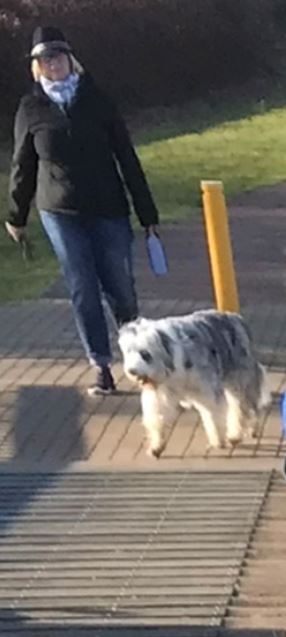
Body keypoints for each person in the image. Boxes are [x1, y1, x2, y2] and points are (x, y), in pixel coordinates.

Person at [5, 26, 159, 395]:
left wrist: (147, 213)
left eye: (57, 57)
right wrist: (16, 214)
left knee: (120, 287)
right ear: (37, 67)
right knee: (82, 286)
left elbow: (126, 157)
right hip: (59, 209)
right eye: (44, 60)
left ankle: (138, 355)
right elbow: (23, 164)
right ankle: (101, 364)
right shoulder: (31, 107)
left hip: (108, 206)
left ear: (70, 60)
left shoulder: (97, 99)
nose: (52, 65)